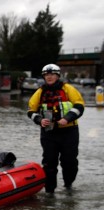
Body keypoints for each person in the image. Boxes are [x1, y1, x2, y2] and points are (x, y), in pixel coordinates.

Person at [27, 64, 84, 194]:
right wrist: (39, 120)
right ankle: (50, 192)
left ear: (58, 76)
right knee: (49, 162)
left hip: (69, 131)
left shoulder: (68, 89)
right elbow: (31, 111)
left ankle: (68, 185)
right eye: (47, 75)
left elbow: (79, 106)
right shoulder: (40, 92)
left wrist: (67, 118)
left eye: (52, 74)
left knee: (69, 161)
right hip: (49, 132)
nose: (49, 77)